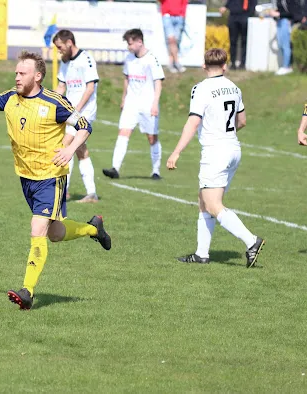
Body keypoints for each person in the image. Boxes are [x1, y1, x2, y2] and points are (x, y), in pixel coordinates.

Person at [0, 51, 111, 310]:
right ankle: (93, 228)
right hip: (26, 178)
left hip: (50, 177)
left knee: (37, 229)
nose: (17, 77)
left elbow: (85, 124)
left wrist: (70, 148)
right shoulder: (11, 99)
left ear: (37, 76)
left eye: (22, 73)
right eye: (16, 73)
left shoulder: (55, 102)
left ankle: (27, 291)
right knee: (54, 233)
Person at [166, 48, 265, 268]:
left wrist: (176, 151)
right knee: (204, 200)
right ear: (225, 66)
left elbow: (193, 122)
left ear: (203, 66)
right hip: (233, 149)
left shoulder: (200, 89)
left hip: (215, 152)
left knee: (213, 205)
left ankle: (251, 241)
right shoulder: (234, 87)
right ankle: (202, 254)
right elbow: (242, 121)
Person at [103, 29, 164, 180]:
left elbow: (158, 82)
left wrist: (155, 104)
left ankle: (156, 170)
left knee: (152, 137)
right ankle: (115, 168)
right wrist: (124, 98)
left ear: (139, 42)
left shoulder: (152, 59)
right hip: (131, 103)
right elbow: (126, 79)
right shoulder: (129, 59)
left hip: (148, 104)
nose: (128, 47)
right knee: (123, 132)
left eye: (130, 43)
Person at [53, 29, 99, 203]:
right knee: (80, 150)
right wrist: (49, 103)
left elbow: (90, 88)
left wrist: (76, 110)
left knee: (66, 144)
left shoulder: (85, 59)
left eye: (60, 47)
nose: (59, 51)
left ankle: (62, 191)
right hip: (71, 112)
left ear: (69, 43)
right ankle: (91, 193)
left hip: (84, 111)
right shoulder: (65, 62)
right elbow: (61, 87)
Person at [267, 0, 303, 76]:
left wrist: (278, 14)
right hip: (279, 21)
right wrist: (274, 13)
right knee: (280, 44)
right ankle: (286, 65)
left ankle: (286, 66)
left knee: (285, 45)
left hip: (286, 21)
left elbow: (292, 12)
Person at [219, 0, 257, 70]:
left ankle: (243, 64)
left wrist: (249, 14)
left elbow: (253, 3)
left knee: (244, 42)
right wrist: (225, 7)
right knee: (233, 41)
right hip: (233, 17)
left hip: (245, 16)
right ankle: (233, 63)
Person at [159, 0, 188, 73]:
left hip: (179, 17)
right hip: (167, 16)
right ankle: (177, 62)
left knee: (175, 41)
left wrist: (182, 14)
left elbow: (184, 2)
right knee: (171, 40)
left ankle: (171, 63)